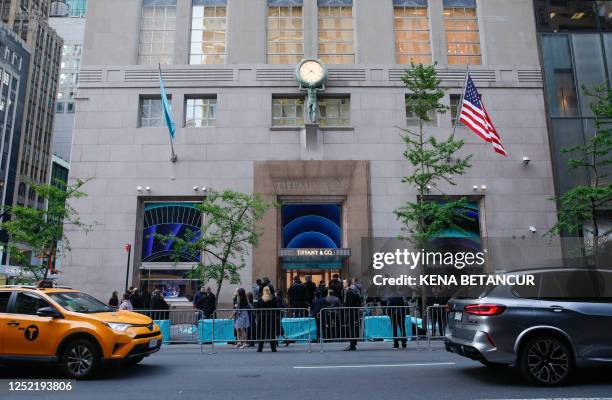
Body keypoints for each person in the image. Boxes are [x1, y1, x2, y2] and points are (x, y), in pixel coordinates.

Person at [255, 286, 279, 352]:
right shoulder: (273, 298)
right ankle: (273, 348)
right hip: (271, 317)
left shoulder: (260, 299)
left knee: (261, 333)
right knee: (271, 333)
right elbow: (276, 308)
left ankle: (260, 348)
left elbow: (257, 309)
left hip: (262, 317)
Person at [342, 279, 362, 351]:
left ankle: (352, 344)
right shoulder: (349, 291)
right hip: (352, 312)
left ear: (347, 283)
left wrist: (347, 311)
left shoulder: (349, 292)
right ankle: (353, 343)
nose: (343, 284)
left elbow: (349, 304)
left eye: (344, 283)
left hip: (351, 313)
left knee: (351, 328)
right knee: (352, 328)